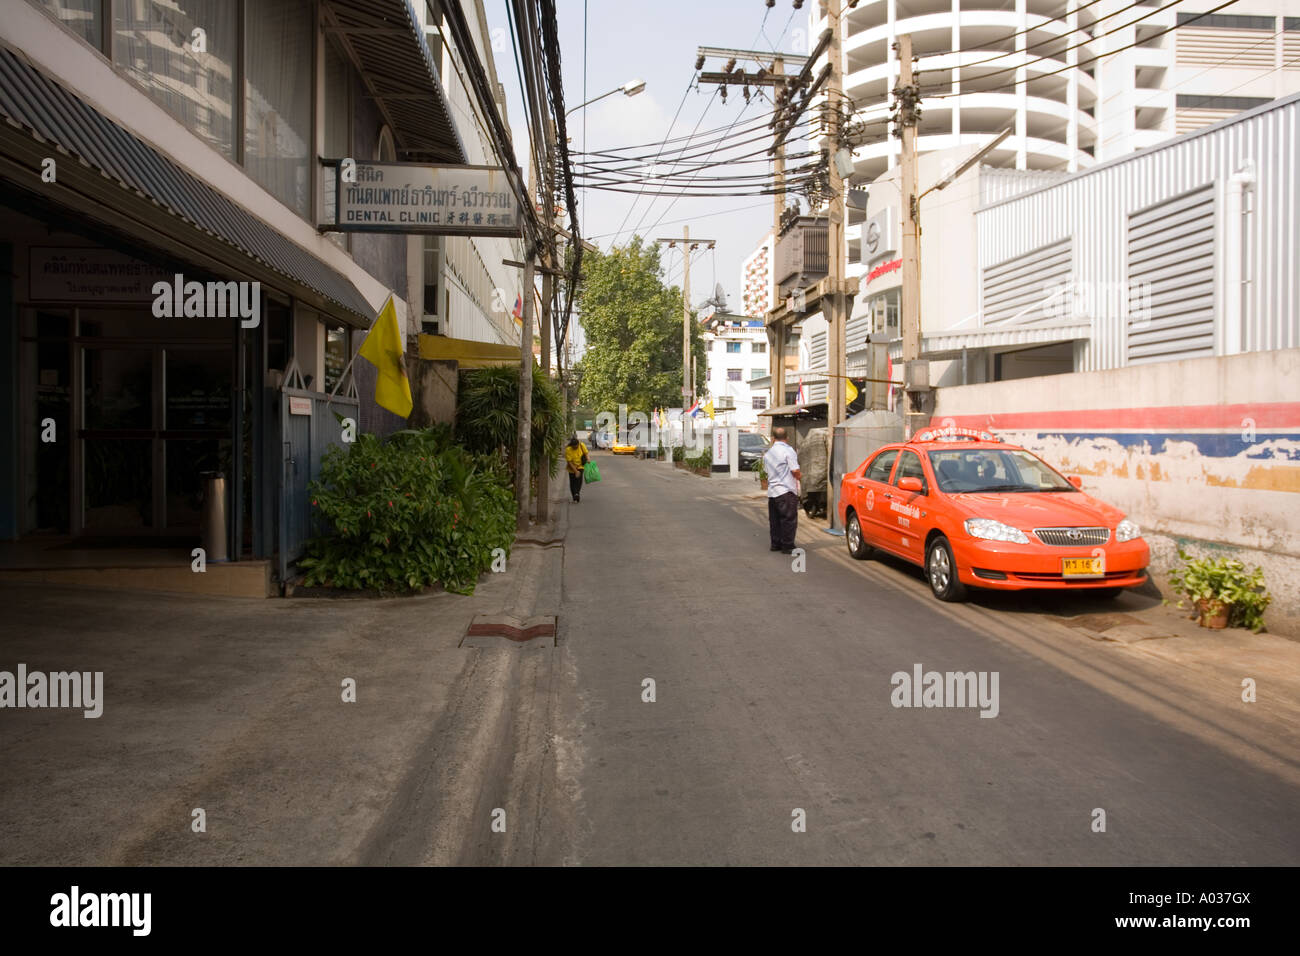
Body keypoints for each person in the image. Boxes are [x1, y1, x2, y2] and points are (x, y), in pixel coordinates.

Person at [763, 426, 801, 553]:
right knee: (788, 519)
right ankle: (788, 545)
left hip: (773, 492)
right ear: (787, 438)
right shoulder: (789, 451)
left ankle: (775, 544)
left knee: (775, 520)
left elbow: (765, 471)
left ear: (773, 439)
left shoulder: (768, 453)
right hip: (786, 491)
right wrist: (800, 477)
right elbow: (795, 470)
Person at [564, 435, 589, 503]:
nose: (575, 448)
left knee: (579, 481)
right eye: (574, 447)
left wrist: (588, 459)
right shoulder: (568, 449)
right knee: (572, 482)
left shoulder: (581, 445)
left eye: (576, 446)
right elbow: (569, 462)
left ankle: (576, 493)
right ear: (571, 446)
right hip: (571, 467)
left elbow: (586, 453)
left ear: (578, 444)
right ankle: (574, 496)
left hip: (580, 466)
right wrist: (575, 471)